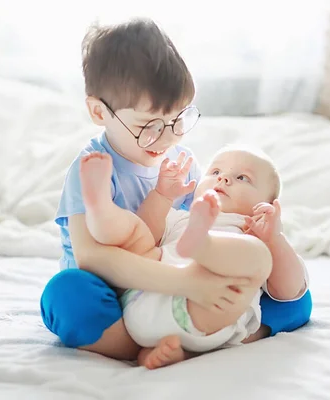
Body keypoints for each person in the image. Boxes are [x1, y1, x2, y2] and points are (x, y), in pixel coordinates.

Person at [40, 17, 313, 363]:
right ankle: (148, 344)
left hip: (181, 291)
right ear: (99, 111)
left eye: (177, 121)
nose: (166, 138)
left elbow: (193, 232)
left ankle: (192, 334)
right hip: (117, 288)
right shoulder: (91, 168)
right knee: (66, 297)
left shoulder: (180, 161)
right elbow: (94, 258)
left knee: (294, 302)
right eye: (149, 126)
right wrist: (185, 283)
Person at [79, 145, 308, 369]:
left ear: (267, 205)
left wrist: (274, 239)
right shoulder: (180, 218)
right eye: (215, 172)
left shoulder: (256, 233)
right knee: (136, 234)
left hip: (209, 312)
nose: (224, 179)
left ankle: (202, 247)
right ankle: (102, 211)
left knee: (257, 256)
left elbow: (289, 291)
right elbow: (146, 232)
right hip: (144, 300)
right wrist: (161, 196)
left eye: (242, 178)